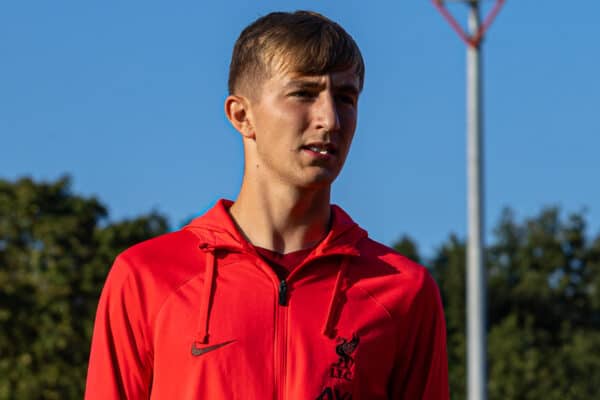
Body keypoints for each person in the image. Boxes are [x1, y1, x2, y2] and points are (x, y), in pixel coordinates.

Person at [85, 10, 449, 399]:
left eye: (345, 97)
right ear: (242, 116)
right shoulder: (146, 277)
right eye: (303, 94)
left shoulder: (403, 291)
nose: (330, 119)